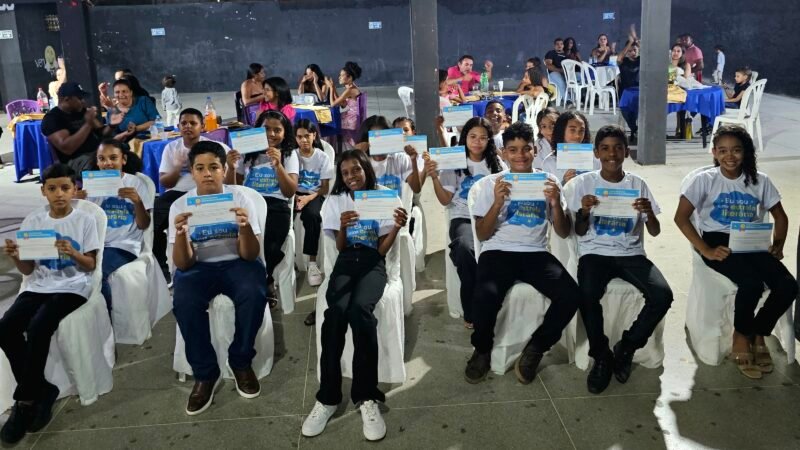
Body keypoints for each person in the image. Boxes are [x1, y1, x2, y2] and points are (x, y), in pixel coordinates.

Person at [674, 125, 797, 379]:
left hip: (752, 240)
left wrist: (779, 244)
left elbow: (780, 216)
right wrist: (705, 250)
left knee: (788, 285)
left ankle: (759, 332)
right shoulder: (705, 180)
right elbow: (681, 218)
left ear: (746, 152)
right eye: (723, 151)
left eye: (736, 150)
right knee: (751, 283)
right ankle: (741, 336)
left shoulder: (760, 180)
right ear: (714, 153)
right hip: (719, 241)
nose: (729, 156)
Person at [301, 150, 407, 442]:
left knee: (361, 311)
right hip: (346, 261)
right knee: (335, 313)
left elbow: (381, 250)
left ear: (366, 169)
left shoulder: (385, 197)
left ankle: (366, 395)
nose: (351, 177)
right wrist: (344, 229)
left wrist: (396, 227)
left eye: (356, 170)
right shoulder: (336, 200)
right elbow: (339, 247)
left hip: (373, 263)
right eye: (345, 172)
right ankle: (327, 398)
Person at [464, 122, 580, 384]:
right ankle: (482, 349)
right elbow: (482, 234)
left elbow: (563, 232)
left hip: (535, 252)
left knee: (571, 295)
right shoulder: (490, 184)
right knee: (484, 295)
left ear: (534, 151)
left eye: (526, 149)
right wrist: (497, 203)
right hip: (498, 251)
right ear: (504, 153)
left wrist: (555, 204)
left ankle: (536, 347)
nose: (520, 155)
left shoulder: (548, 181)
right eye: (513, 150)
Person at [567, 125, 673, 393]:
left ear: (626, 152)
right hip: (595, 253)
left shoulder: (637, 184)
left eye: (617, 148)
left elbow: (655, 231)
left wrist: (649, 212)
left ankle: (627, 346)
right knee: (586, 295)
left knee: (662, 296)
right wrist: (583, 212)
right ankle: (601, 355)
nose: (611, 154)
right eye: (605, 148)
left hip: (630, 253)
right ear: (596, 153)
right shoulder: (584, 183)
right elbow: (579, 231)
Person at [0, 164, 100, 444]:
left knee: (39, 327)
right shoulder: (34, 220)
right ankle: (41, 390)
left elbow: (91, 265)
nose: (59, 194)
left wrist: (74, 253)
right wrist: (16, 256)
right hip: (39, 285)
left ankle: (25, 402)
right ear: (43, 191)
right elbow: (28, 270)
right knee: (5, 328)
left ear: (74, 189)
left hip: (74, 286)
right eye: (52, 188)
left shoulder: (85, 220)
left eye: (65, 188)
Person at [169, 141, 268, 415]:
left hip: (237, 262)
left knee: (254, 292)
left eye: (214, 167)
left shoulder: (240, 199)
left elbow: (250, 255)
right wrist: (181, 235)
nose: (207, 174)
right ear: (192, 172)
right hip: (198, 266)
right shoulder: (180, 205)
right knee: (184, 301)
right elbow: (183, 263)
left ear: (224, 169)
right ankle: (205, 373)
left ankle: (240, 361)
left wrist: (244, 228)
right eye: (200, 168)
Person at [425, 117, 505, 328]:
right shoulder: (454, 163)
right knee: (463, 248)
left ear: (489, 140)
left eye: (483, 138)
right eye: (472, 136)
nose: (477, 142)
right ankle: (472, 309)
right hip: (463, 218)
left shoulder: (497, 164)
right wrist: (434, 178)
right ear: (465, 138)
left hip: (492, 217)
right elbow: (445, 200)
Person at [226, 110, 299, 308]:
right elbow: (231, 189)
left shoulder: (289, 154)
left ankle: (264, 279)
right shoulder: (246, 152)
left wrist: (278, 165)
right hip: (248, 204)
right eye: (266, 129)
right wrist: (231, 168)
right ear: (257, 129)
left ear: (285, 133)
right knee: (236, 237)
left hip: (276, 205)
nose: (271, 134)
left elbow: (290, 191)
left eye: (277, 130)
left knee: (271, 244)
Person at [154, 108, 231, 281]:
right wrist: (177, 167)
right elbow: (165, 182)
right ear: (178, 126)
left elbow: (227, 173)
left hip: (206, 193)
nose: (188, 126)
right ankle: (162, 268)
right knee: (154, 221)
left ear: (202, 126)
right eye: (184, 123)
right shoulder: (171, 148)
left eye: (193, 123)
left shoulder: (212, 147)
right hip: (177, 194)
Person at [77, 139, 152, 314]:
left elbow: (144, 224)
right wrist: (77, 202)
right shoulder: (91, 185)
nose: (107, 163)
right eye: (102, 159)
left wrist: (137, 202)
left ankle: (106, 319)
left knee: (97, 275)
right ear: (97, 162)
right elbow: (83, 223)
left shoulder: (135, 183)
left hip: (123, 245)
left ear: (123, 160)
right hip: (95, 244)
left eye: (113, 158)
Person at [294, 119, 333, 290]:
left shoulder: (322, 157)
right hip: (294, 194)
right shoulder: (292, 156)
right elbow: (287, 182)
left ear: (314, 135)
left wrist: (308, 199)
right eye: (299, 136)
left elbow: (324, 188)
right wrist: (296, 197)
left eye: (307, 136)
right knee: (282, 218)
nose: (303, 140)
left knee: (313, 216)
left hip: (315, 194)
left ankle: (312, 263)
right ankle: (291, 261)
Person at [42, 82, 112, 176]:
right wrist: (88, 124)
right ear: (66, 99)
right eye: (79, 98)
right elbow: (67, 148)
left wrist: (112, 125)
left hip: (97, 153)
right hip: (74, 161)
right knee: (97, 163)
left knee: (123, 155)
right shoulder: (53, 118)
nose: (83, 101)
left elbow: (102, 132)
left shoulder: (82, 111)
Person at [355, 115, 421, 195]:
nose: (379, 142)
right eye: (374, 137)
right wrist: (356, 156)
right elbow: (352, 191)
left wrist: (413, 160)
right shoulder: (361, 161)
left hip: (399, 203)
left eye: (383, 137)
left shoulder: (400, 158)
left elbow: (416, 189)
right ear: (366, 140)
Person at [542, 110, 600, 185]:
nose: (577, 136)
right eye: (572, 130)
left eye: (581, 131)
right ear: (562, 130)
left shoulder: (595, 159)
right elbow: (548, 190)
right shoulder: (549, 162)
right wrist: (563, 183)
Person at [325, 61, 362, 148]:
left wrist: (331, 88)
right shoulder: (351, 87)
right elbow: (343, 104)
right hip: (354, 117)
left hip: (352, 120)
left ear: (349, 78)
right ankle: (334, 146)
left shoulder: (350, 90)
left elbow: (333, 104)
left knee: (329, 122)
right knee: (331, 119)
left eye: (342, 75)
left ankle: (331, 147)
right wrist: (333, 88)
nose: (339, 77)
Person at [617, 28, 641, 143]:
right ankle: (634, 128)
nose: (632, 52)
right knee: (625, 109)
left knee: (637, 108)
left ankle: (634, 130)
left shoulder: (641, 60)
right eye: (630, 51)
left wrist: (637, 42)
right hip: (625, 91)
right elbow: (619, 58)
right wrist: (630, 43)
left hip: (639, 91)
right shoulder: (624, 61)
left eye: (634, 50)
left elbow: (648, 54)